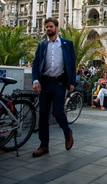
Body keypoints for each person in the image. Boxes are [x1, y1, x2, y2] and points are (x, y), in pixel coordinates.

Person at [31, 17, 76, 157]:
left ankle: (67, 132)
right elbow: (36, 64)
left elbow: (72, 64)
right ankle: (44, 146)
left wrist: (72, 82)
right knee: (43, 115)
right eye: (47, 27)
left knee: (57, 112)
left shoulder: (67, 44)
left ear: (57, 27)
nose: (48, 29)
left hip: (59, 83)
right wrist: (35, 80)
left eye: (50, 26)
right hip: (45, 83)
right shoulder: (42, 45)